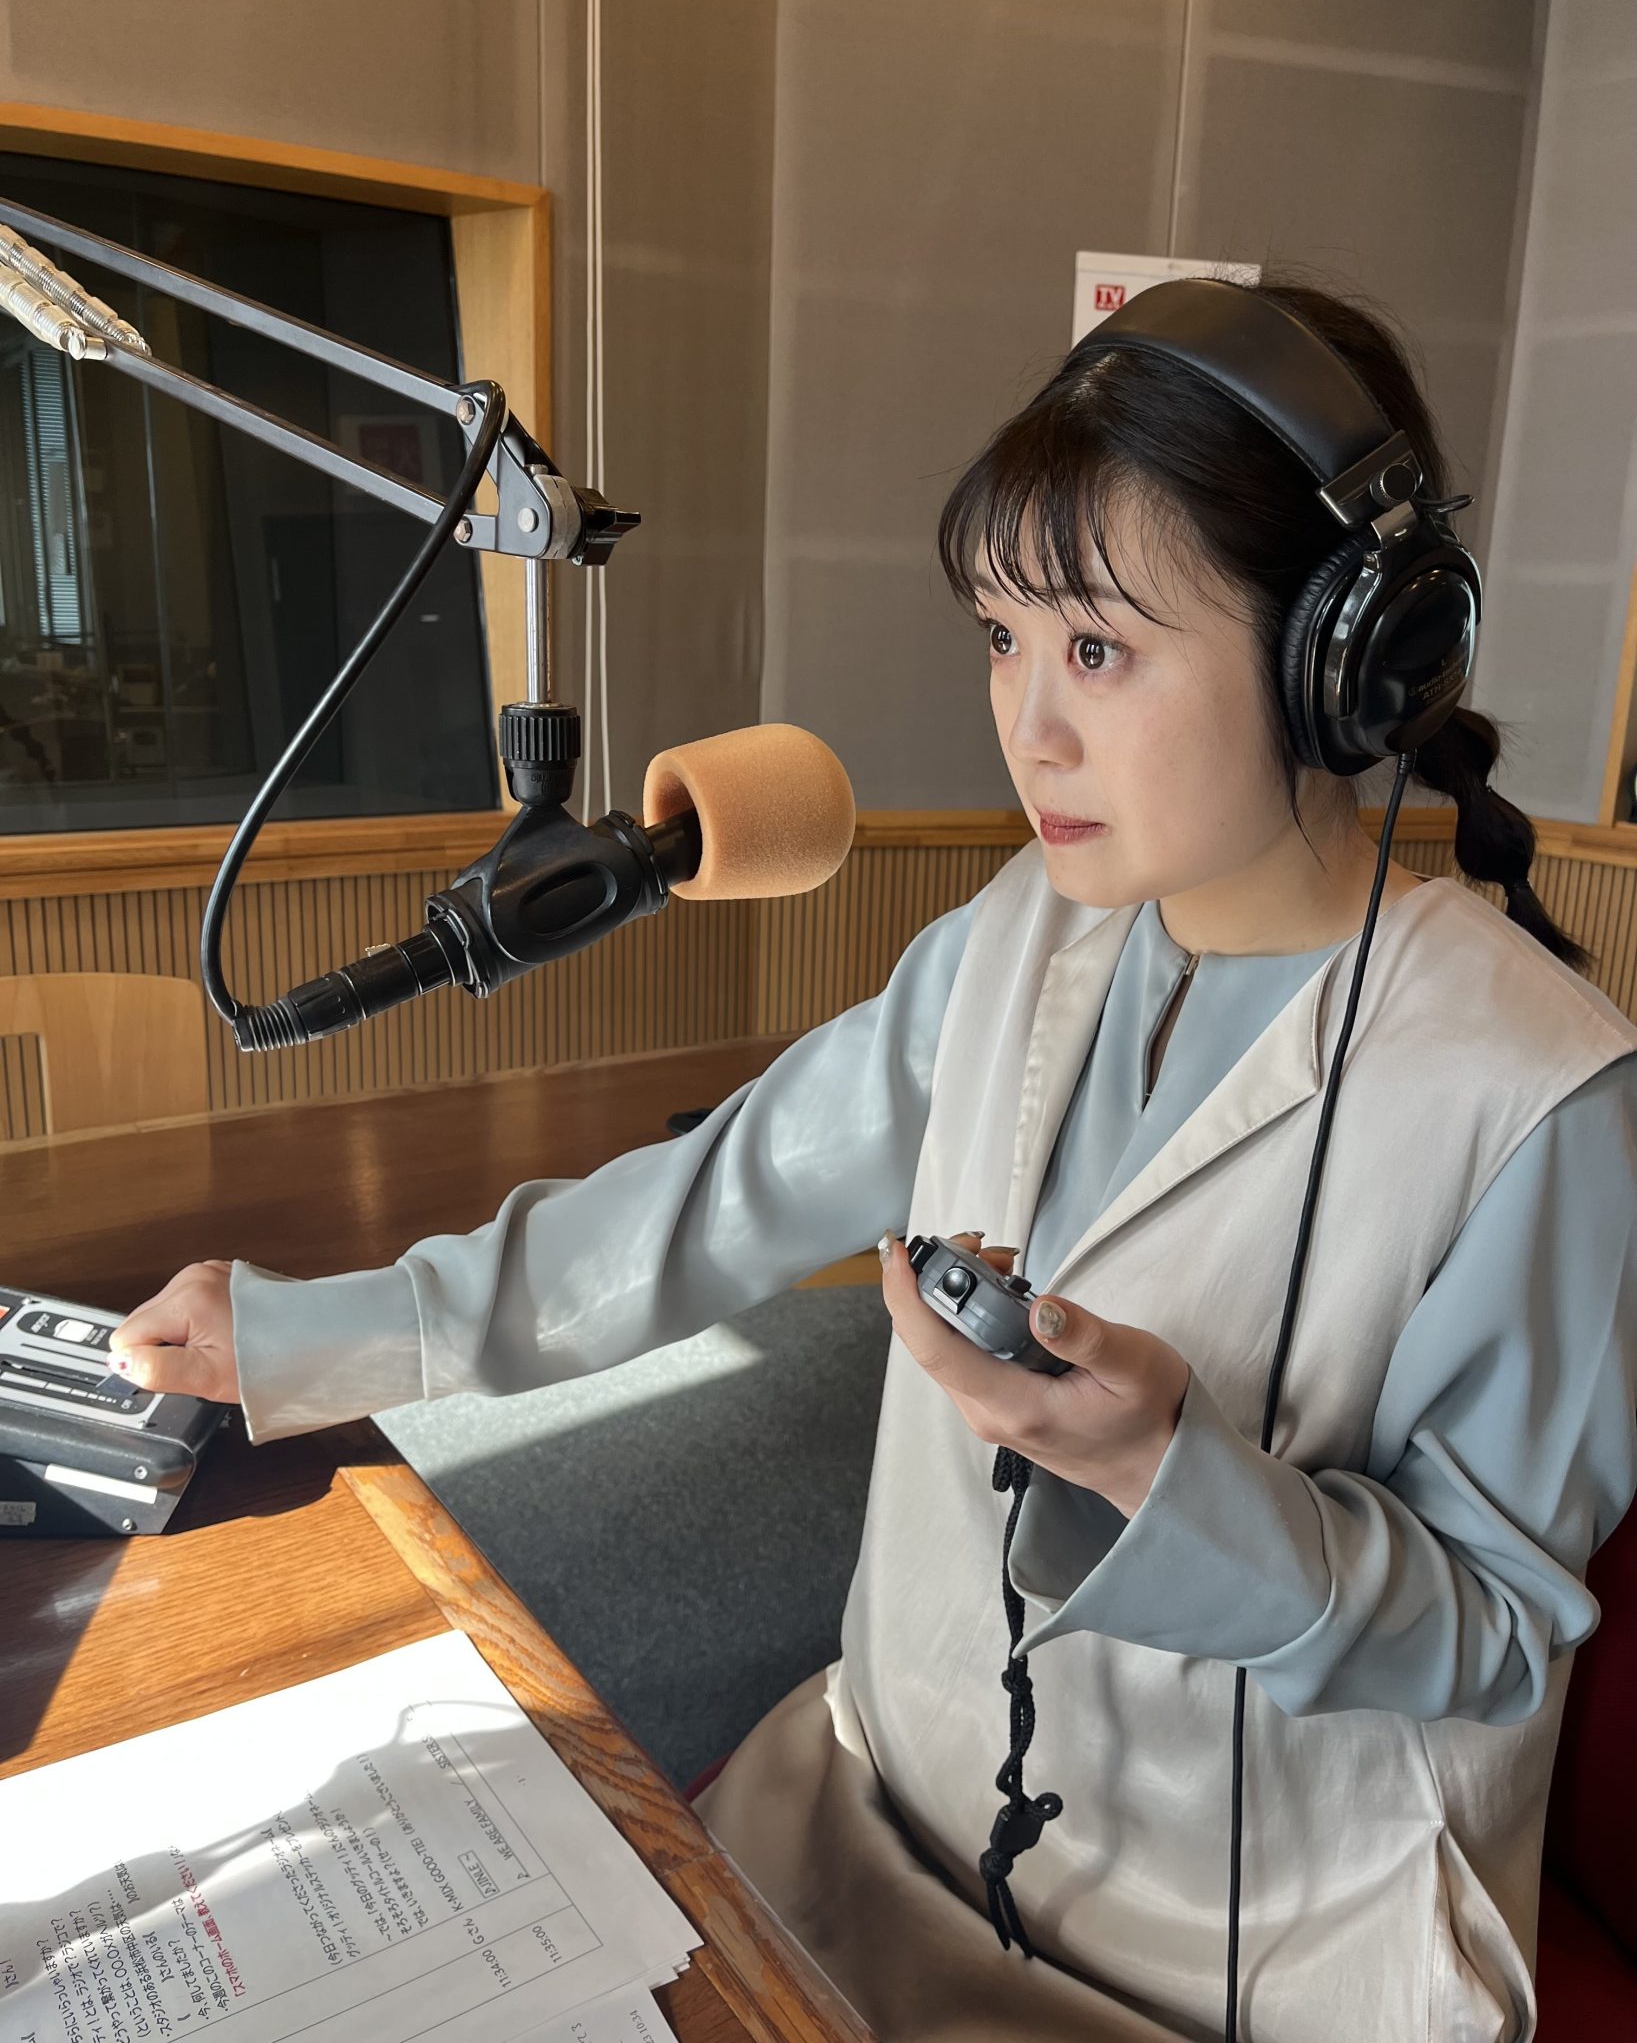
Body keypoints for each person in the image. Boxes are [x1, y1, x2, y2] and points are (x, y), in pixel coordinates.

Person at [111, 277, 1637, 2043]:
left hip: (1247, 1964)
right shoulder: (1017, 935)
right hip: (869, 1803)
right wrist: (309, 1330)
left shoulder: (1537, 1098)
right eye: (1000, 638)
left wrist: (1170, 1478)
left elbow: (1487, 1638)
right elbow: (706, 1208)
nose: (1027, 728)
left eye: (1097, 651)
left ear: (1341, 662)